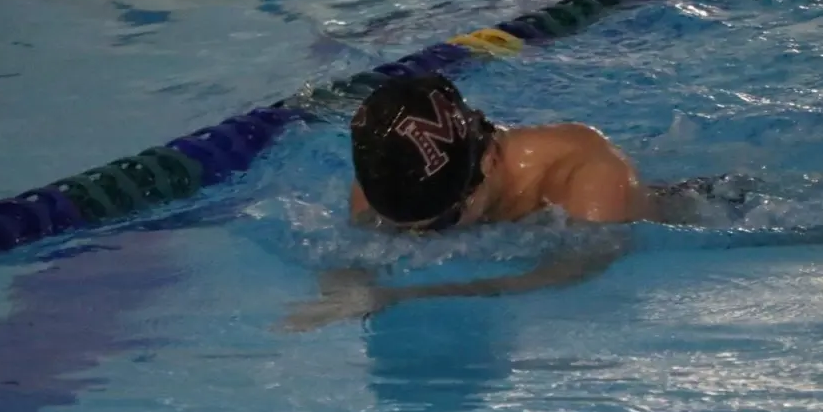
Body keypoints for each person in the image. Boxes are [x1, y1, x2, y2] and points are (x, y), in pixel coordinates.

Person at [280, 73, 750, 332]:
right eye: (404, 225)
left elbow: (564, 277)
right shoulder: (386, 182)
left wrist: (409, 296)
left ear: (487, 161)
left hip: (712, 212)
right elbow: (351, 261)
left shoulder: (587, 176)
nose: (418, 237)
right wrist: (341, 293)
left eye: (441, 222)